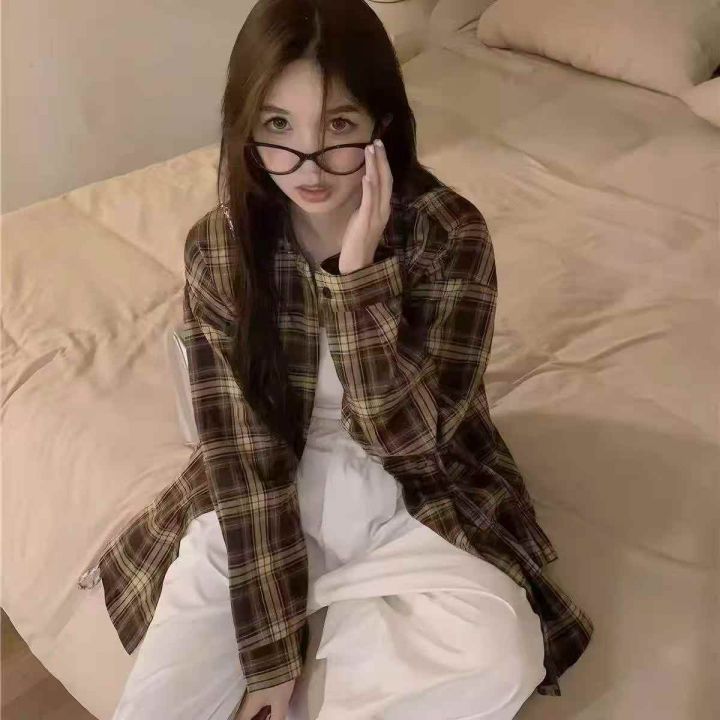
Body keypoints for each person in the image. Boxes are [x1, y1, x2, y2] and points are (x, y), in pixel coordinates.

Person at [95, 1, 594, 718]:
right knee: (165, 693)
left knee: (500, 650)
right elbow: (244, 454)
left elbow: (415, 444)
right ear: (245, 127)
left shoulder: (448, 233)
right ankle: (323, 631)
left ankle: (339, 630)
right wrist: (271, 657)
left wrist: (358, 284)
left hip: (411, 491)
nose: (309, 164)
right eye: (278, 126)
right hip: (271, 485)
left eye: (337, 126)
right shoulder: (221, 246)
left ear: (379, 121)